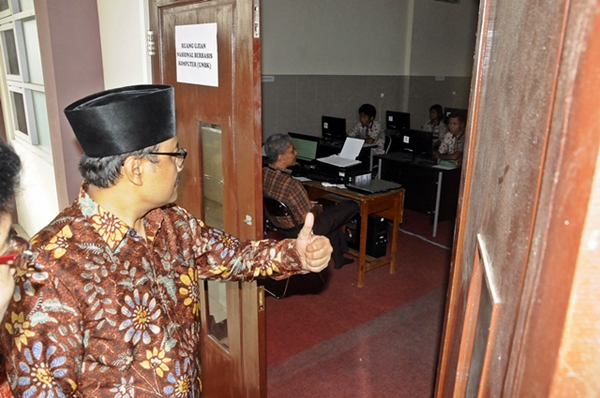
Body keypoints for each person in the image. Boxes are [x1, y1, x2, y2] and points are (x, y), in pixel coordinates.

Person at [1, 85, 333, 397]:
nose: (180, 166)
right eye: (175, 154)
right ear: (136, 169)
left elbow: (235, 256)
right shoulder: (50, 268)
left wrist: (295, 252)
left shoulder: (171, 222)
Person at [263, 134, 359, 270]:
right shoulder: (293, 185)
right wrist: (317, 208)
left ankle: (339, 257)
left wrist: (306, 203)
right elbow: (308, 216)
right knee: (351, 206)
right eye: (292, 151)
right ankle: (340, 255)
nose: (296, 153)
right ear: (281, 157)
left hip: (279, 225)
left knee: (331, 212)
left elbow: (281, 199)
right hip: (301, 229)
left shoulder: (263, 173)